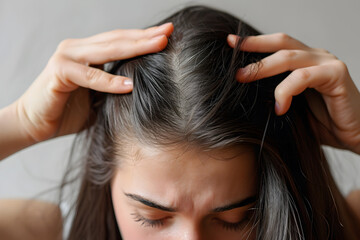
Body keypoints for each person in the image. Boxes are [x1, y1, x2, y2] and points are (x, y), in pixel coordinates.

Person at [0, 5, 359, 240]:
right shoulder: (40, 232)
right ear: (105, 174)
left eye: (235, 218)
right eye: (152, 217)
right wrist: (21, 123)